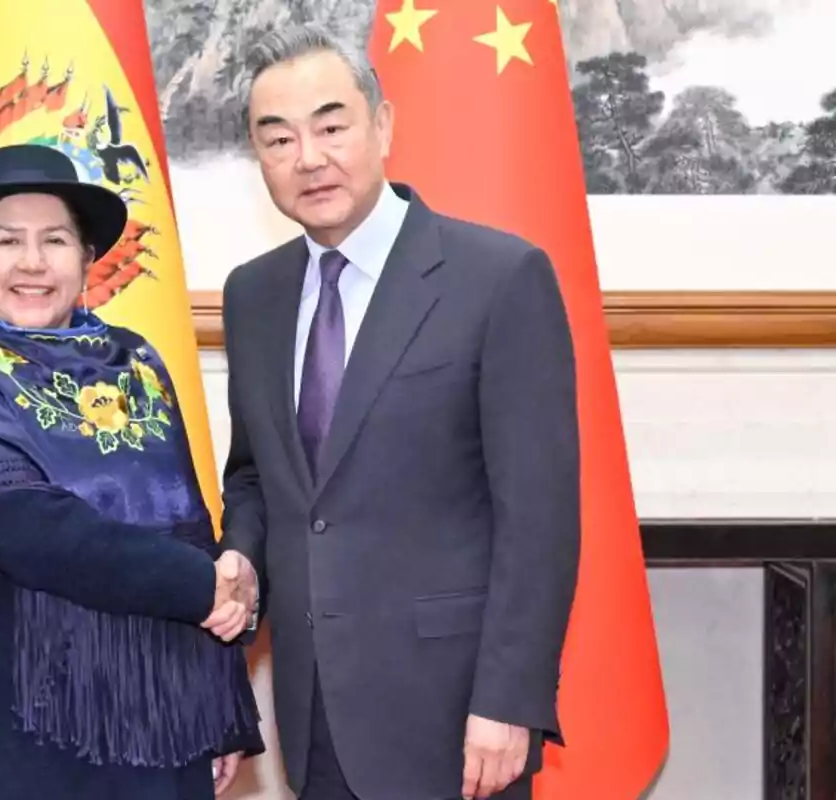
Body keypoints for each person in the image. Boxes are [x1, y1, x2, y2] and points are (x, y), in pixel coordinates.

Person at [219, 26, 581, 800]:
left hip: (455, 717)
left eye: (331, 125)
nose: (308, 157)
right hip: (312, 709)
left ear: (382, 124)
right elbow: (256, 474)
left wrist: (508, 701)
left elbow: (539, 515)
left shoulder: (499, 277)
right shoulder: (252, 295)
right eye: (277, 138)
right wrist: (242, 558)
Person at [0, 143, 264, 800]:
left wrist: (219, 704)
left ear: (87, 261)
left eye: (56, 240)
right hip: (11, 738)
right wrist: (203, 586)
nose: (33, 262)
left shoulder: (136, 363)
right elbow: (23, 525)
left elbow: (189, 524)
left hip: (158, 733)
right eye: (8, 241)